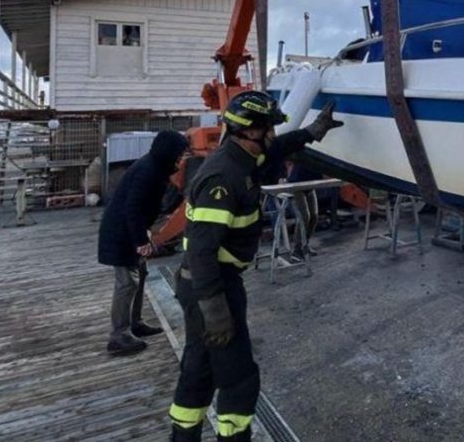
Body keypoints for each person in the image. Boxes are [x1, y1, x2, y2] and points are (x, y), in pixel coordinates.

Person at [168, 91, 342, 442]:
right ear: (249, 132)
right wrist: (215, 309)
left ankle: (182, 436)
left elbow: (276, 150)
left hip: (205, 284)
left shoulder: (242, 158)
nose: (273, 135)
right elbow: (202, 252)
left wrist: (311, 132)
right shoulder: (222, 179)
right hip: (212, 286)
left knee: (200, 366)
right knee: (239, 376)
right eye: (269, 129)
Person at [98, 130, 189, 356]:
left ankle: (135, 323)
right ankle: (119, 335)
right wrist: (140, 240)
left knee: (140, 275)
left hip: (131, 231)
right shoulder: (147, 171)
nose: (181, 158)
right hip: (122, 234)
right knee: (126, 283)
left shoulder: (156, 169)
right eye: (179, 154)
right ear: (168, 152)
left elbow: (154, 205)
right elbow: (134, 208)